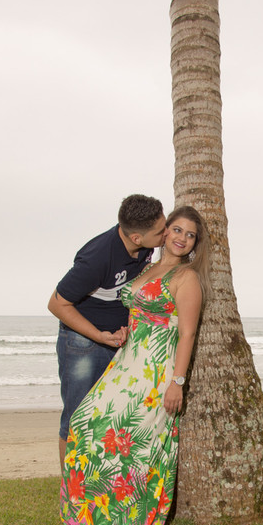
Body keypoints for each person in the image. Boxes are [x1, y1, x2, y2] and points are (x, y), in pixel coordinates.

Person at [60, 205, 212, 525]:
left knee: (134, 440)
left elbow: (187, 333)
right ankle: (90, 510)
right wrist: (123, 331)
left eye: (190, 235)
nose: (182, 238)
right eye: (177, 230)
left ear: (195, 243)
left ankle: (128, 516)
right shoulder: (148, 265)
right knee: (84, 421)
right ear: (164, 231)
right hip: (126, 360)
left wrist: (178, 383)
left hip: (155, 368)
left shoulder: (186, 278)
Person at [48, 194, 166, 467]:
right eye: (161, 231)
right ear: (137, 237)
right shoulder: (97, 258)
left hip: (116, 341)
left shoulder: (145, 245)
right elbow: (56, 303)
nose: (165, 234)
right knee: (76, 417)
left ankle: (96, 475)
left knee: (108, 415)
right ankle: (70, 489)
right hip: (82, 343)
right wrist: (98, 335)